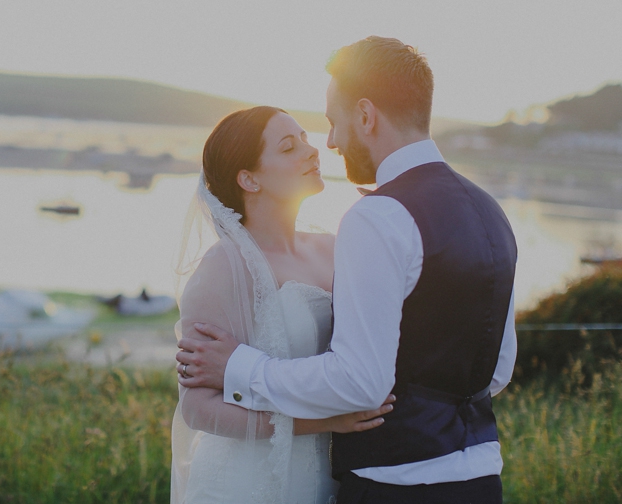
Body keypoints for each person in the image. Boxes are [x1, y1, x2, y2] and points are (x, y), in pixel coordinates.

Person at [176, 37, 518, 504]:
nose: (327, 144)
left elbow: (360, 381)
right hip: (478, 476)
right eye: (291, 145)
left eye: (330, 125)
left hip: (394, 482)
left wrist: (241, 366)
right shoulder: (490, 211)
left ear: (365, 115)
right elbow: (496, 370)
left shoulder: (376, 218)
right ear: (248, 178)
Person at [171, 105, 395, 504]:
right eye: (290, 147)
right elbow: (197, 407)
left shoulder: (335, 248)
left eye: (307, 140)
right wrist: (324, 422)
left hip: (327, 478)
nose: (313, 152)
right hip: (245, 483)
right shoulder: (226, 266)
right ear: (249, 179)